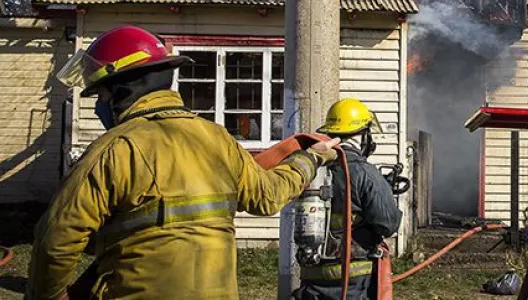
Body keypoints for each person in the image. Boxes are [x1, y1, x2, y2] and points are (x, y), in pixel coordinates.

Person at [27, 25, 338, 300]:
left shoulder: (114, 149)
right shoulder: (216, 138)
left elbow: (55, 241)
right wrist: (311, 158)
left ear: (123, 89)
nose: (99, 107)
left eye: (101, 96)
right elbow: (267, 195)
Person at [294, 98, 403, 300]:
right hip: (352, 278)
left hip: (312, 275)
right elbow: (387, 223)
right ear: (363, 135)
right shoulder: (364, 172)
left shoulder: (313, 167)